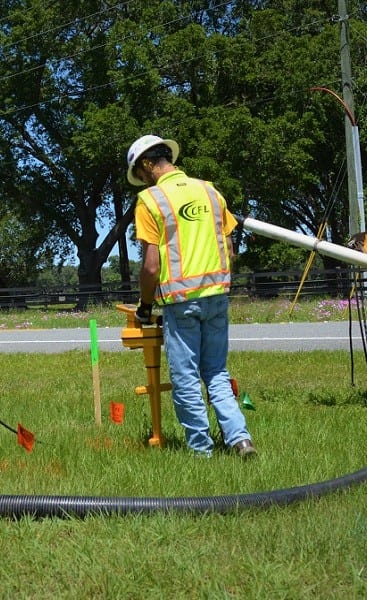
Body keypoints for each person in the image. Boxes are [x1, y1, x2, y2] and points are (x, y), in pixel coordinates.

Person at [126, 134, 256, 459]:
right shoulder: (210, 191)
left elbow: (151, 266)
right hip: (217, 295)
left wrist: (144, 306)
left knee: (186, 379)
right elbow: (228, 247)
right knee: (216, 372)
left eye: (141, 175)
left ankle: (201, 451)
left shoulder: (150, 201)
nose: (142, 181)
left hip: (181, 302)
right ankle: (240, 439)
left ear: (146, 166)